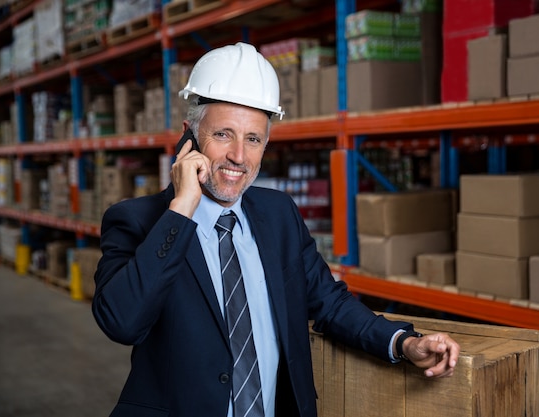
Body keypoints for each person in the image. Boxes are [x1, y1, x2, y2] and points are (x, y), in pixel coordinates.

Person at [92, 42, 460, 417]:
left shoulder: (278, 213)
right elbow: (122, 322)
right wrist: (181, 209)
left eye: (253, 139)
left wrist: (403, 343)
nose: (239, 155)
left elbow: (329, 302)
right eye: (223, 135)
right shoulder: (137, 220)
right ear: (189, 136)